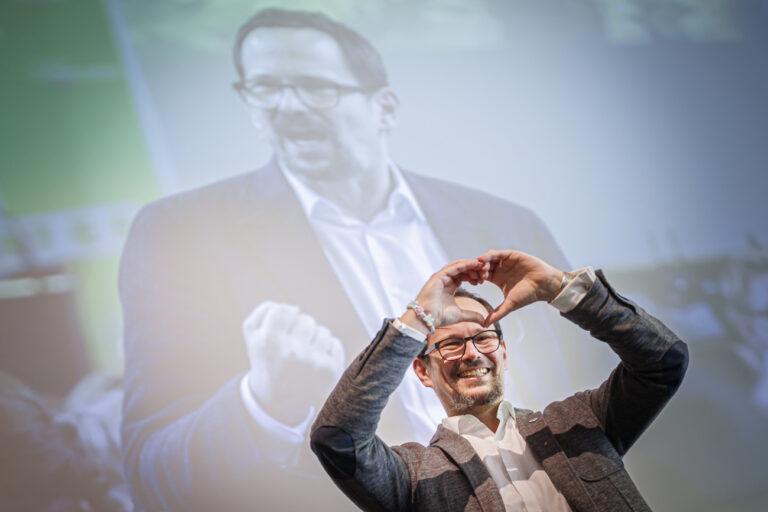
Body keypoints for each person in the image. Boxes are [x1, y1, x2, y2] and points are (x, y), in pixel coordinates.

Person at [119, 8, 589, 511]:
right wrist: (262, 402)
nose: (287, 108)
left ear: (384, 107)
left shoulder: (505, 222)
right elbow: (153, 470)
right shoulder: (181, 236)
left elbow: (593, 396)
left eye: (314, 87)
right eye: (264, 89)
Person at [310, 250, 689, 511]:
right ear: (423, 371)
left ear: (503, 353)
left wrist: (560, 287)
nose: (472, 353)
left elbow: (662, 360)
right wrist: (419, 318)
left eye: (483, 337)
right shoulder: (412, 476)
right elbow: (337, 438)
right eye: (452, 343)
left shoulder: (581, 422)